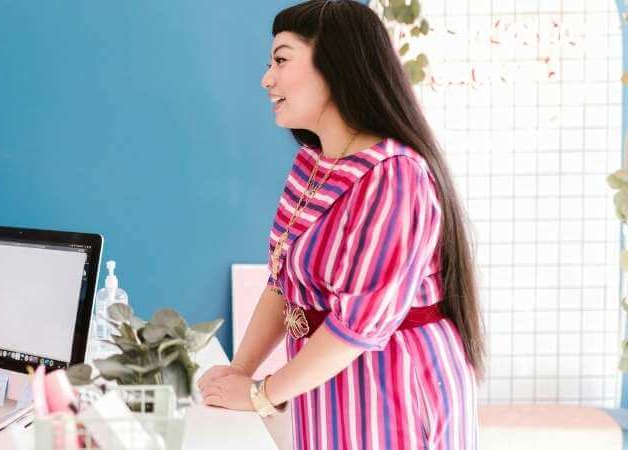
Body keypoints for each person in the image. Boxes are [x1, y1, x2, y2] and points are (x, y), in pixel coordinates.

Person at [197, 2, 483, 449]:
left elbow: (358, 326)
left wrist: (260, 395)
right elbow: (282, 281)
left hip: (394, 393)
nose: (267, 79)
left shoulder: (395, 176)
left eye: (281, 60)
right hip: (327, 386)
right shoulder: (313, 164)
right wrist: (239, 372)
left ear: (335, 65)